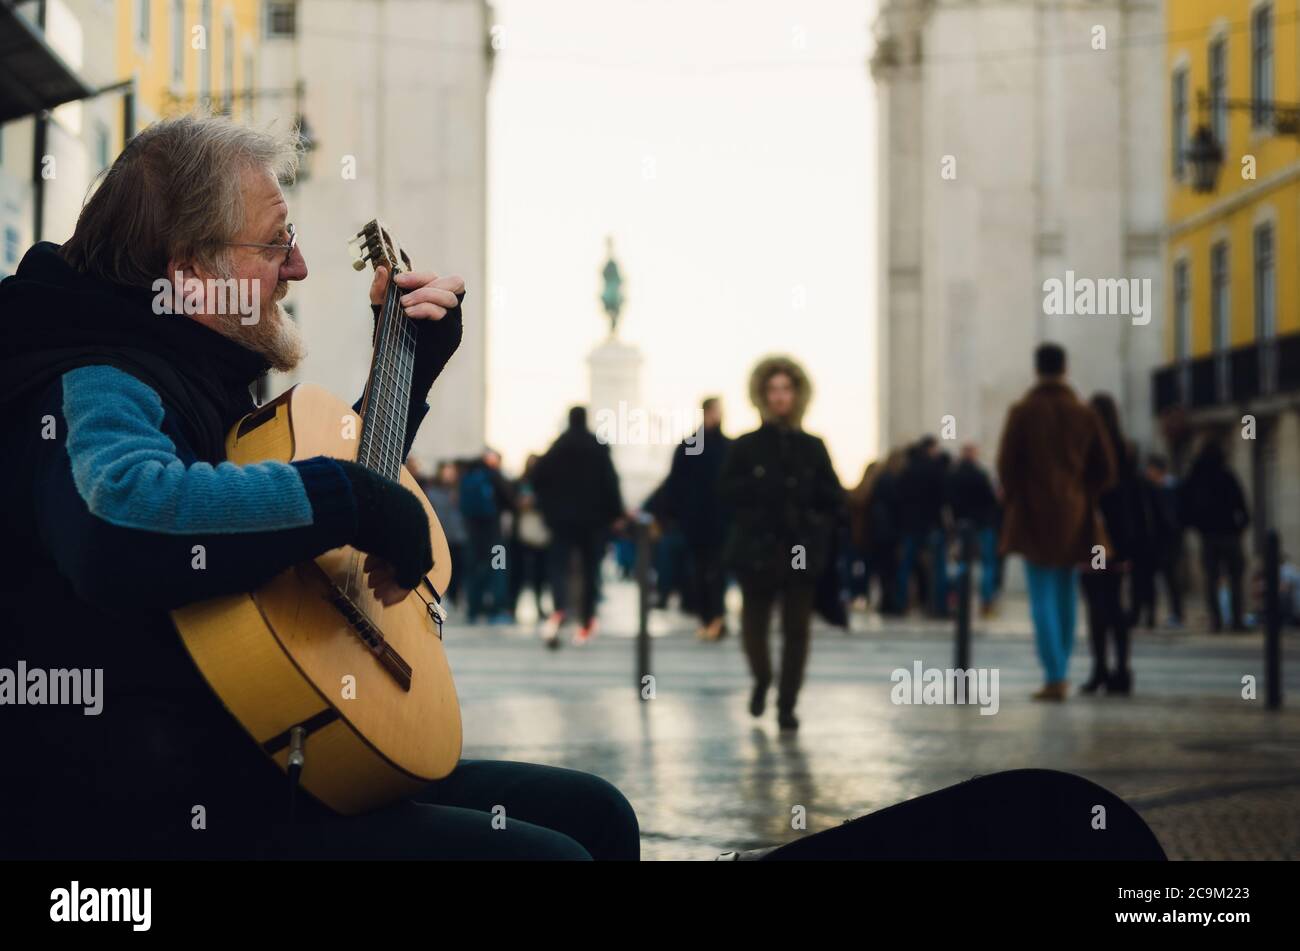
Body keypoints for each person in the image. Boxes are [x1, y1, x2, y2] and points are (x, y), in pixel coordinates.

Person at [0, 114, 638, 860]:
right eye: (276, 242)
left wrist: (409, 371)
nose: (297, 266)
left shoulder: (192, 361)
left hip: (253, 758)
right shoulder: (93, 372)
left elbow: (287, 537)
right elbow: (120, 518)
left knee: (597, 813)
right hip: (136, 817)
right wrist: (350, 498)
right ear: (191, 269)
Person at [719, 355, 843, 730]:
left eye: (786, 389)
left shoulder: (813, 445)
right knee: (753, 624)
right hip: (757, 548)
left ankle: (787, 703)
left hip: (800, 550)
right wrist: (760, 492)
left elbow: (833, 496)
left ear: (797, 393)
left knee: (796, 630)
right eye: (772, 389)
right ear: (762, 394)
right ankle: (762, 679)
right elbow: (725, 492)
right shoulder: (745, 446)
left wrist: (813, 518)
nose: (779, 397)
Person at [996, 344, 1115, 701]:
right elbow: (1106, 469)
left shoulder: (1022, 412)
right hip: (1075, 513)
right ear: (1065, 368)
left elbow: (1006, 465)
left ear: (1037, 369)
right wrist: (1082, 492)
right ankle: (1060, 668)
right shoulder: (1084, 414)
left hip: (1033, 513)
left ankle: (1055, 674)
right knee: (1065, 592)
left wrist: (1019, 493)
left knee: (1041, 595)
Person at [532, 406, 625, 647]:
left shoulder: (559, 446)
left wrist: (548, 506)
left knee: (558, 565)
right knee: (591, 568)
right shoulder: (598, 447)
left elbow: (537, 476)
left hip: (562, 520)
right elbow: (610, 481)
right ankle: (587, 617)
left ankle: (560, 607)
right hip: (593, 520)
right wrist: (615, 513)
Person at [647, 397, 732, 640]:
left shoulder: (694, 445)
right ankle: (711, 616)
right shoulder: (719, 446)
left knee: (709, 569)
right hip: (706, 521)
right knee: (706, 570)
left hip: (707, 521)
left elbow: (674, 486)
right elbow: (676, 486)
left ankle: (712, 617)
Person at [1079, 395, 1147, 695]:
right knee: (1115, 603)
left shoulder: (1088, 450)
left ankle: (1100, 670)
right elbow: (1133, 499)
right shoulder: (1127, 450)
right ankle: (1122, 670)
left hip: (1096, 538)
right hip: (1121, 538)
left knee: (1096, 604)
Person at [1179, 440, 1250, 632]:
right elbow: (1241, 503)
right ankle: (1236, 620)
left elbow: (1184, 504)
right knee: (1235, 577)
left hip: (1208, 535)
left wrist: (1195, 525)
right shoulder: (1226, 475)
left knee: (1211, 578)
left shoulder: (1196, 476)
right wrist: (1241, 526)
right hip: (1229, 533)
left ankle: (1216, 620)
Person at [459, 449, 515, 624]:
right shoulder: (494, 476)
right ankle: (496, 610)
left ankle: (473, 610)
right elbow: (511, 501)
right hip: (494, 533)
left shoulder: (467, 478)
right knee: (498, 568)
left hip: (473, 534)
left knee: (474, 569)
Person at [945, 443, 1001, 616]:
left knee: (961, 563)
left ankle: (958, 598)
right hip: (983, 525)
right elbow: (992, 500)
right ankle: (986, 603)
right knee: (988, 564)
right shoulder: (981, 475)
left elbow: (949, 501)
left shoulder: (953, 476)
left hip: (962, 525)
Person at [896, 436, 950, 617]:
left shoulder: (906, 470)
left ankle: (901, 604)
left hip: (909, 525)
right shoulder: (935, 470)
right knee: (938, 567)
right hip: (931, 525)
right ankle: (937, 606)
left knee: (905, 566)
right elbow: (942, 498)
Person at [1133, 454, 1184, 629]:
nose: (1148, 474)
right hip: (1151, 545)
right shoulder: (1146, 490)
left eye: (1151, 470)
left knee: (1171, 580)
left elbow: (1175, 518)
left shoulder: (1172, 489)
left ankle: (1176, 614)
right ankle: (1149, 616)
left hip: (1168, 544)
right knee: (1148, 581)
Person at [509, 453, 551, 622]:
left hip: (540, 534)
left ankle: (539, 606)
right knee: (518, 571)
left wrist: (535, 503)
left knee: (539, 573)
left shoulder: (546, 485)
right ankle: (512, 606)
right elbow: (510, 502)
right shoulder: (519, 483)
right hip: (520, 534)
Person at [423, 461, 468, 608]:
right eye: (446, 471)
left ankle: (455, 597)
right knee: (440, 565)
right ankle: (442, 594)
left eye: (452, 472)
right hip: (440, 535)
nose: (449, 475)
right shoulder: (432, 491)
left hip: (459, 535)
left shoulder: (461, 491)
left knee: (458, 567)